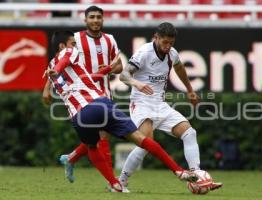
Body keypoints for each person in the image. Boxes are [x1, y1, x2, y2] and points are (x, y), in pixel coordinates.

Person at [45, 30, 198, 192]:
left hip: (78, 116)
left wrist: (108, 69)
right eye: (73, 43)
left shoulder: (50, 69)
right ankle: (179, 171)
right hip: (100, 104)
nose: (76, 46)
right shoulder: (69, 52)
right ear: (62, 45)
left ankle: (114, 183)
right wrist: (61, 68)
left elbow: (85, 78)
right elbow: (65, 60)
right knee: (141, 139)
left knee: (92, 146)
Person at [119, 22, 222, 192]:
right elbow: (124, 75)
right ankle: (120, 182)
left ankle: (196, 175)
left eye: (171, 43)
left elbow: (180, 68)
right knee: (146, 143)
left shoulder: (172, 53)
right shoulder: (144, 53)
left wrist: (190, 91)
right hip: (141, 104)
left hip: (160, 104)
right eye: (164, 42)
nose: (167, 46)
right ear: (156, 38)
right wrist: (136, 83)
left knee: (189, 132)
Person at [43, 5, 122, 183]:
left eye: (98, 17)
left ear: (103, 19)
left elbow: (119, 65)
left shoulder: (110, 39)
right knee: (101, 135)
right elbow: (58, 62)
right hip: (82, 92)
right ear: (85, 20)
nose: (95, 20)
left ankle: (72, 158)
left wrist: (109, 69)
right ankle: (113, 182)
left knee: (103, 134)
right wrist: (47, 87)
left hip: (103, 90)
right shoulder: (75, 38)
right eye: (91, 17)